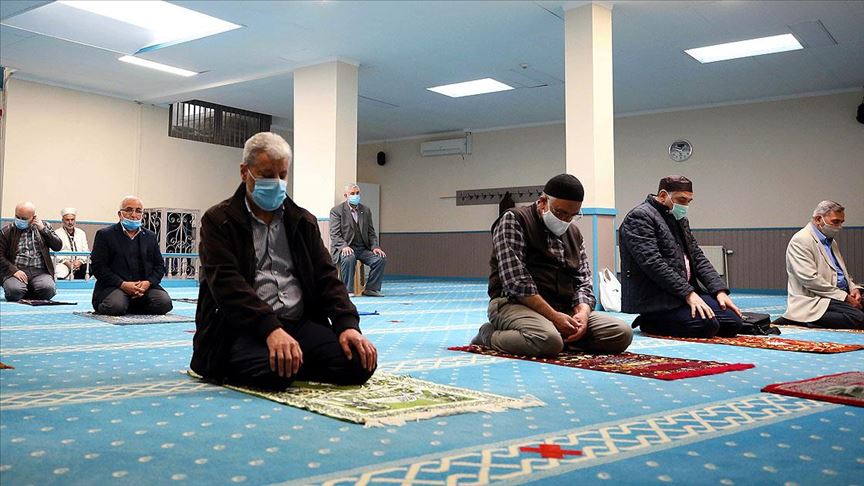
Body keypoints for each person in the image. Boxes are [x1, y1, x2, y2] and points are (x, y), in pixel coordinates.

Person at [190, 132, 377, 390]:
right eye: (267, 175)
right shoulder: (219, 221)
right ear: (245, 172)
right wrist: (270, 329)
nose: (276, 183)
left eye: (282, 175)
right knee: (275, 372)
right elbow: (227, 285)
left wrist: (347, 325)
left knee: (359, 363)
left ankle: (294, 358)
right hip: (242, 327)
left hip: (299, 322)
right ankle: (283, 360)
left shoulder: (302, 221)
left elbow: (326, 277)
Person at [471, 174, 633, 357]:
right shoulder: (514, 220)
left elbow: (583, 281)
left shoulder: (574, 233)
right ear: (543, 202)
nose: (565, 220)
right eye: (560, 213)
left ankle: (561, 337)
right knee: (547, 340)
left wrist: (583, 313)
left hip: (562, 307)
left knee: (621, 333)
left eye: (572, 215)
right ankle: (488, 335)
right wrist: (554, 317)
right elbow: (517, 283)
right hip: (514, 304)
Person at [619, 175, 742, 338]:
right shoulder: (639, 217)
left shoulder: (679, 218)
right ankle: (649, 320)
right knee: (707, 326)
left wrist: (719, 291)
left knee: (733, 322)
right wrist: (688, 294)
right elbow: (653, 264)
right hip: (657, 297)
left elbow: (697, 256)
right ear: (663, 196)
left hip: (681, 293)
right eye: (681, 200)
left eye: (689, 201)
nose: (685, 206)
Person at [774, 201, 863, 329]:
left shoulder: (831, 242)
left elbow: (840, 273)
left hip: (836, 295)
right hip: (816, 300)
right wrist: (845, 298)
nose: (839, 226)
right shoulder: (801, 240)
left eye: (841, 222)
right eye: (835, 222)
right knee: (859, 318)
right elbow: (810, 279)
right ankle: (799, 320)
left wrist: (854, 289)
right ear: (818, 219)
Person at [89, 196, 173, 316]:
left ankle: (130, 305)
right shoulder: (105, 235)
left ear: (142, 214)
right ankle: (120, 305)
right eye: (129, 210)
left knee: (164, 303)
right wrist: (122, 284)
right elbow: (98, 267)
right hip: (114, 286)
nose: (133, 215)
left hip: (144, 288)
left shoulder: (150, 236)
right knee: (115, 306)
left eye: (138, 211)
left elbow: (159, 266)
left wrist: (148, 283)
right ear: (120, 214)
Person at [329, 183, 387, 296]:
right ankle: (347, 290)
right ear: (346, 195)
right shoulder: (337, 211)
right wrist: (344, 246)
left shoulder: (365, 210)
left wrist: (375, 247)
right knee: (348, 258)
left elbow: (371, 233)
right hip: (345, 248)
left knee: (380, 259)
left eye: (357, 193)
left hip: (362, 248)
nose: (355, 195)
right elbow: (334, 234)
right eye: (352, 193)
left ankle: (371, 289)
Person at [0, 202, 62, 301]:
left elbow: (57, 246)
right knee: (13, 292)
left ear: (33, 217)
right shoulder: (7, 231)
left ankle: (28, 289)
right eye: (17, 217)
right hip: (17, 271)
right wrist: (13, 270)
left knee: (48, 290)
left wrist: (43, 230)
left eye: (24, 218)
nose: (20, 220)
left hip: (40, 271)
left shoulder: (44, 226)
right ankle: (23, 289)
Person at [54, 207, 90, 280]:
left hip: (79, 265)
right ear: (62, 220)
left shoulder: (81, 233)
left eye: (72, 219)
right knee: (60, 273)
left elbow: (86, 251)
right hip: (63, 264)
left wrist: (79, 262)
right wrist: (68, 263)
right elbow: (54, 253)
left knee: (89, 268)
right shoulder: (56, 233)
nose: (70, 222)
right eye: (67, 220)